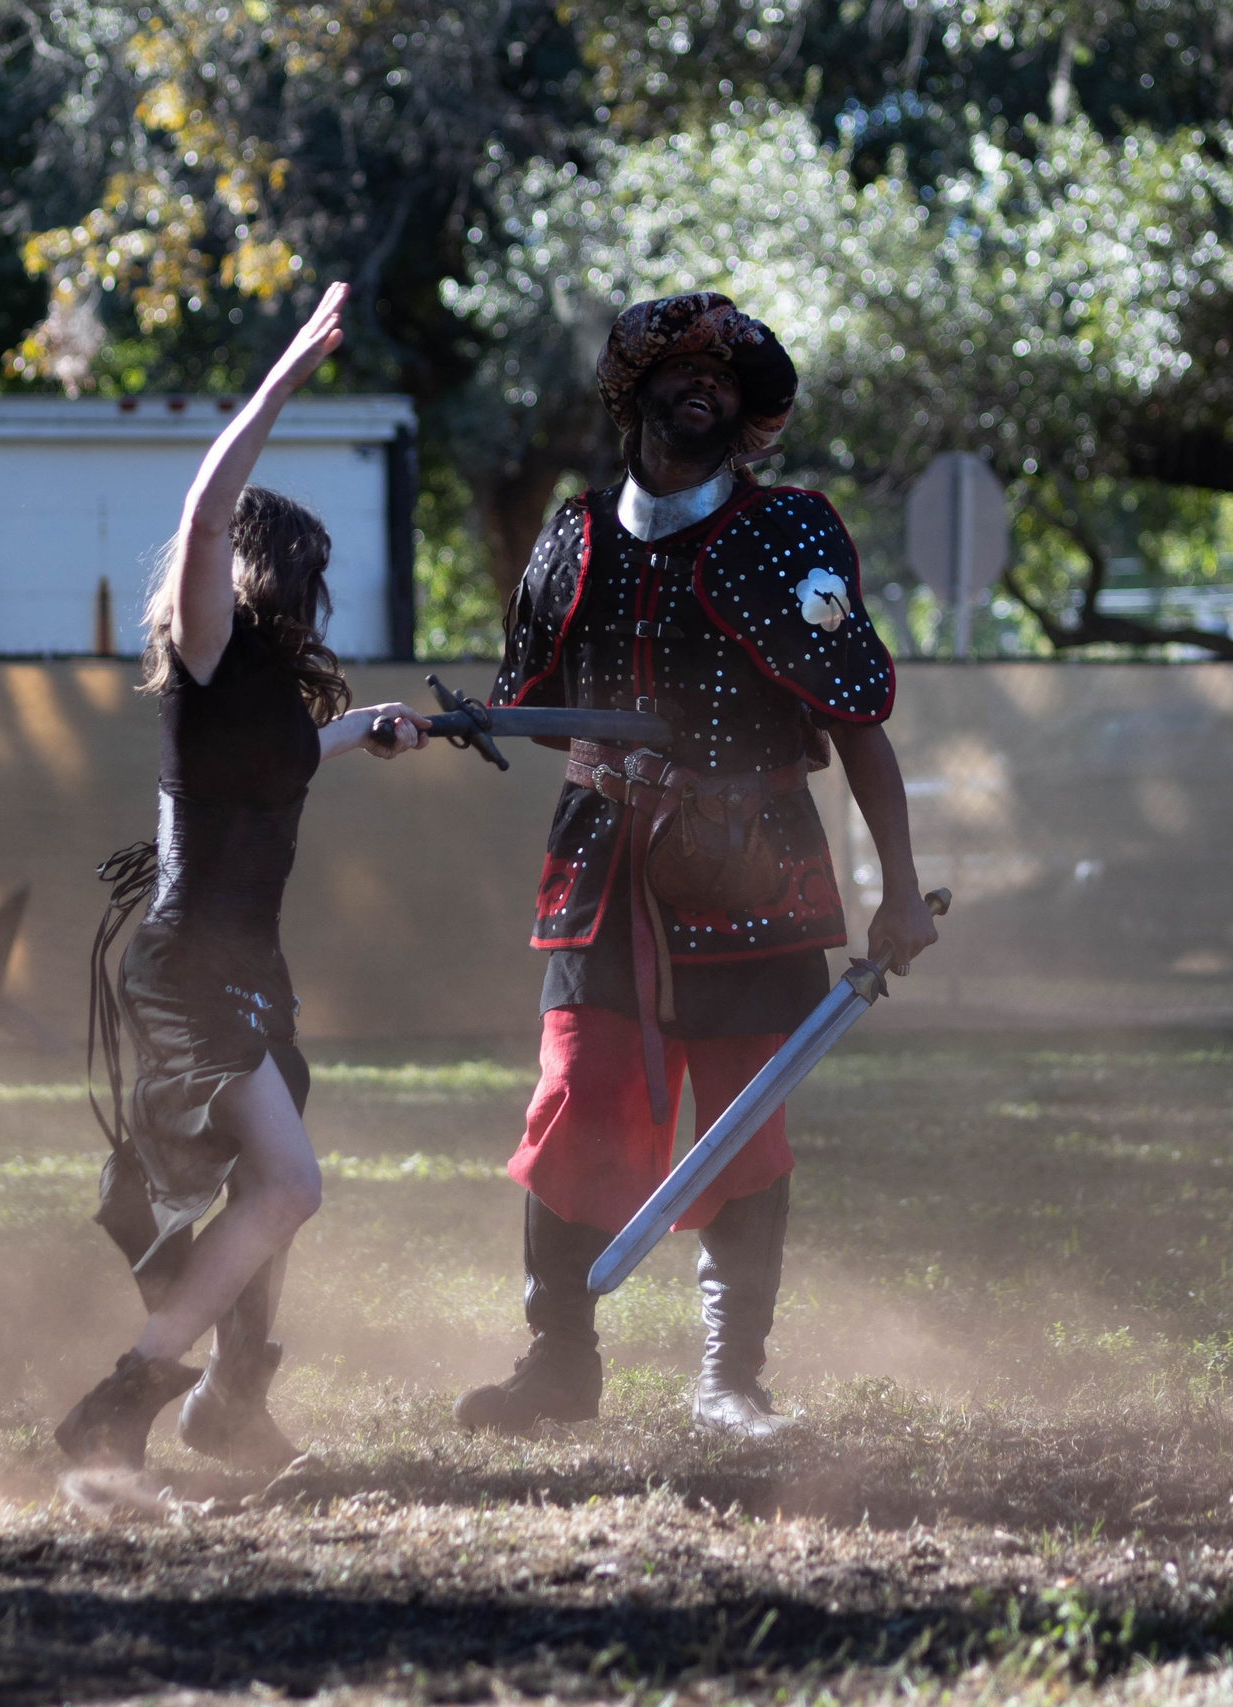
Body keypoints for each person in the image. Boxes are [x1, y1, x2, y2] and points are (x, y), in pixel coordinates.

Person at [455, 291, 938, 1441]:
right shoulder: (573, 535)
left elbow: (857, 722)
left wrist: (899, 885)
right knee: (574, 1102)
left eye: (726, 379)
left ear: (746, 412)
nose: (704, 388)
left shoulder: (789, 533)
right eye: (683, 369)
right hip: (601, 868)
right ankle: (557, 1366)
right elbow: (533, 709)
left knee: (743, 1122)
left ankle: (730, 1380)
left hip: (753, 871)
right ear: (637, 391)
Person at [61, 282, 433, 1471]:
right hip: (185, 970)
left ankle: (229, 1404)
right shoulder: (206, 650)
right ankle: (117, 1410)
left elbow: (281, 765)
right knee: (289, 1190)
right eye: (306, 569)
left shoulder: (264, 697)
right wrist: (281, 378)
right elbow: (204, 509)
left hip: (249, 969)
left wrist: (367, 729)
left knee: (271, 1196)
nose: (316, 591)